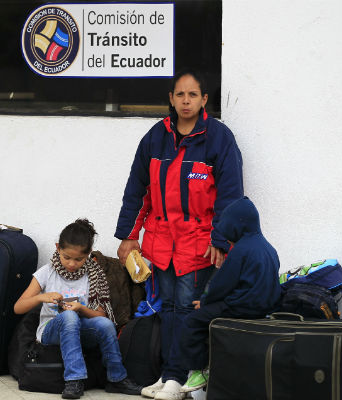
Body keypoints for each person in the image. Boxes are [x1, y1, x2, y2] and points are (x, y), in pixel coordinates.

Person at [114, 68, 244, 398]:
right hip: (161, 244)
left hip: (198, 245)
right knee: (167, 309)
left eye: (193, 95)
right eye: (180, 95)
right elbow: (137, 190)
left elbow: (230, 195)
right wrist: (130, 236)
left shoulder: (219, 138)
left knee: (189, 311)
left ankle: (183, 377)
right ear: (171, 99)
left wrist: (220, 239)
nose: (186, 101)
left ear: (204, 100)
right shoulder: (155, 137)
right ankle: (169, 375)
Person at [152, 197, 282, 399]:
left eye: (228, 233)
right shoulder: (269, 249)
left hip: (241, 307)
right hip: (264, 308)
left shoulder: (240, 250)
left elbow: (221, 285)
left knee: (193, 321)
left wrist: (204, 302)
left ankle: (198, 370)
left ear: (237, 227)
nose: (228, 240)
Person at [14, 219, 143, 399]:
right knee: (68, 318)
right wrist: (41, 297)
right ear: (58, 248)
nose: (72, 264)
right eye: (66, 257)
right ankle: (74, 380)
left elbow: (100, 315)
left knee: (104, 324)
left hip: (79, 327)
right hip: (50, 331)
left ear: (88, 254)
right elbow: (18, 308)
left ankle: (116, 378)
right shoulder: (47, 272)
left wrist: (81, 308)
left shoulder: (94, 274)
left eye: (78, 259)